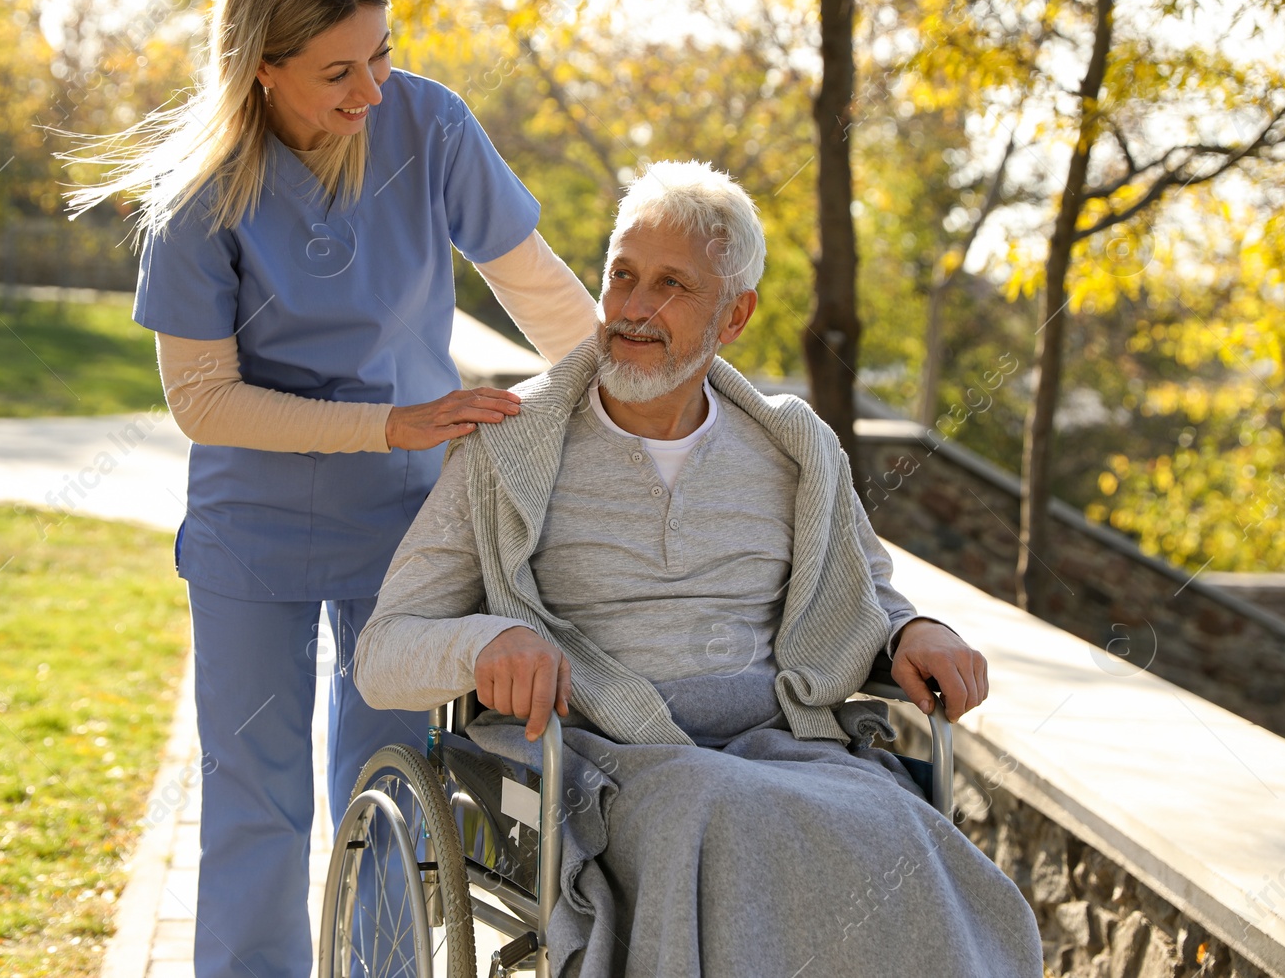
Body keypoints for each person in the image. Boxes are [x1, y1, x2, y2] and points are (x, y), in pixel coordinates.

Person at [65, 0, 600, 977]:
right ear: (261, 71)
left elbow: (543, 294)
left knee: (391, 783)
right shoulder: (200, 200)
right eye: (337, 71)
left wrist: (655, 399)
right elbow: (203, 400)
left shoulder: (428, 128)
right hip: (252, 533)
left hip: (402, 527)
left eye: (384, 53)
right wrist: (389, 422)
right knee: (253, 796)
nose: (371, 91)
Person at [354, 160, 1044, 977]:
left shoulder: (794, 449)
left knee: (899, 829)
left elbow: (867, 594)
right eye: (622, 277)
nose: (634, 310)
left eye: (671, 285)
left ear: (735, 313)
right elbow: (382, 653)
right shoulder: (507, 447)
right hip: (603, 760)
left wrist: (915, 630)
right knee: (710, 808)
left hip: (782, 745)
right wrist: (485, 642)